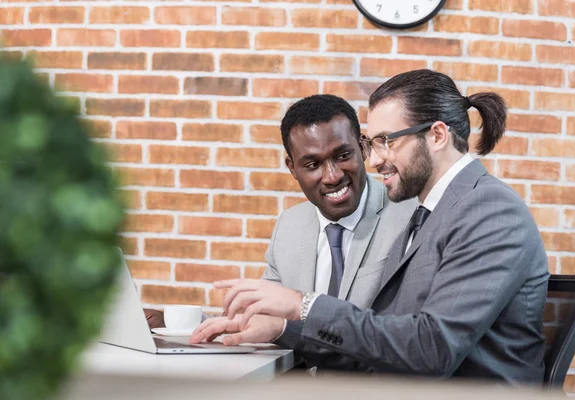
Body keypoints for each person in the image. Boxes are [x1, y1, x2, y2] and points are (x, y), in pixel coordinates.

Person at [190, 69, 550, 385]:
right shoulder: (432, 214)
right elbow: (383, 345)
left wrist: (303, 304)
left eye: (386, 142)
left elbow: (432, 351)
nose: (375, 159)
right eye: (373, 144)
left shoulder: (489, 210)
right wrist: (285, 329)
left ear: (437, 136)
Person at [144, 94, 416, 328]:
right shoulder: (289, 225)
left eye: (343, 156)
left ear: (362, 148)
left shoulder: (409, 216)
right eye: (312, 165)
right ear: (292, 168)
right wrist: (179, 325)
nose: (332, 176)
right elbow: (260, 318)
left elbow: (409, 329)